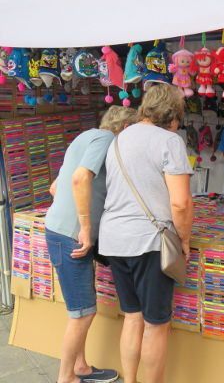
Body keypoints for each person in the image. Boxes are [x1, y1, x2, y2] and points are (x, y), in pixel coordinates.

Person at [98, 84, 194, 383]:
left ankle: (130, 381)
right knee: (156, 324)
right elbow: (180, 203)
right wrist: (185, 239)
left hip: (113, 238)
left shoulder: (119, 138)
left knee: (132, 315)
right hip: (149, 242)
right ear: (173, 114)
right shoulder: (170, 140)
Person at [45, 105, 137, 383]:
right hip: (71, 236)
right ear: (124, 128)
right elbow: (79, 178)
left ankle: (81, 366)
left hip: (60, 230)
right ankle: (66, 378)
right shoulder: (107, 140)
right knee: (82, 313)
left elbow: (54, 187)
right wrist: (85, 227)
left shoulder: (86, 137)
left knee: (80, 308)